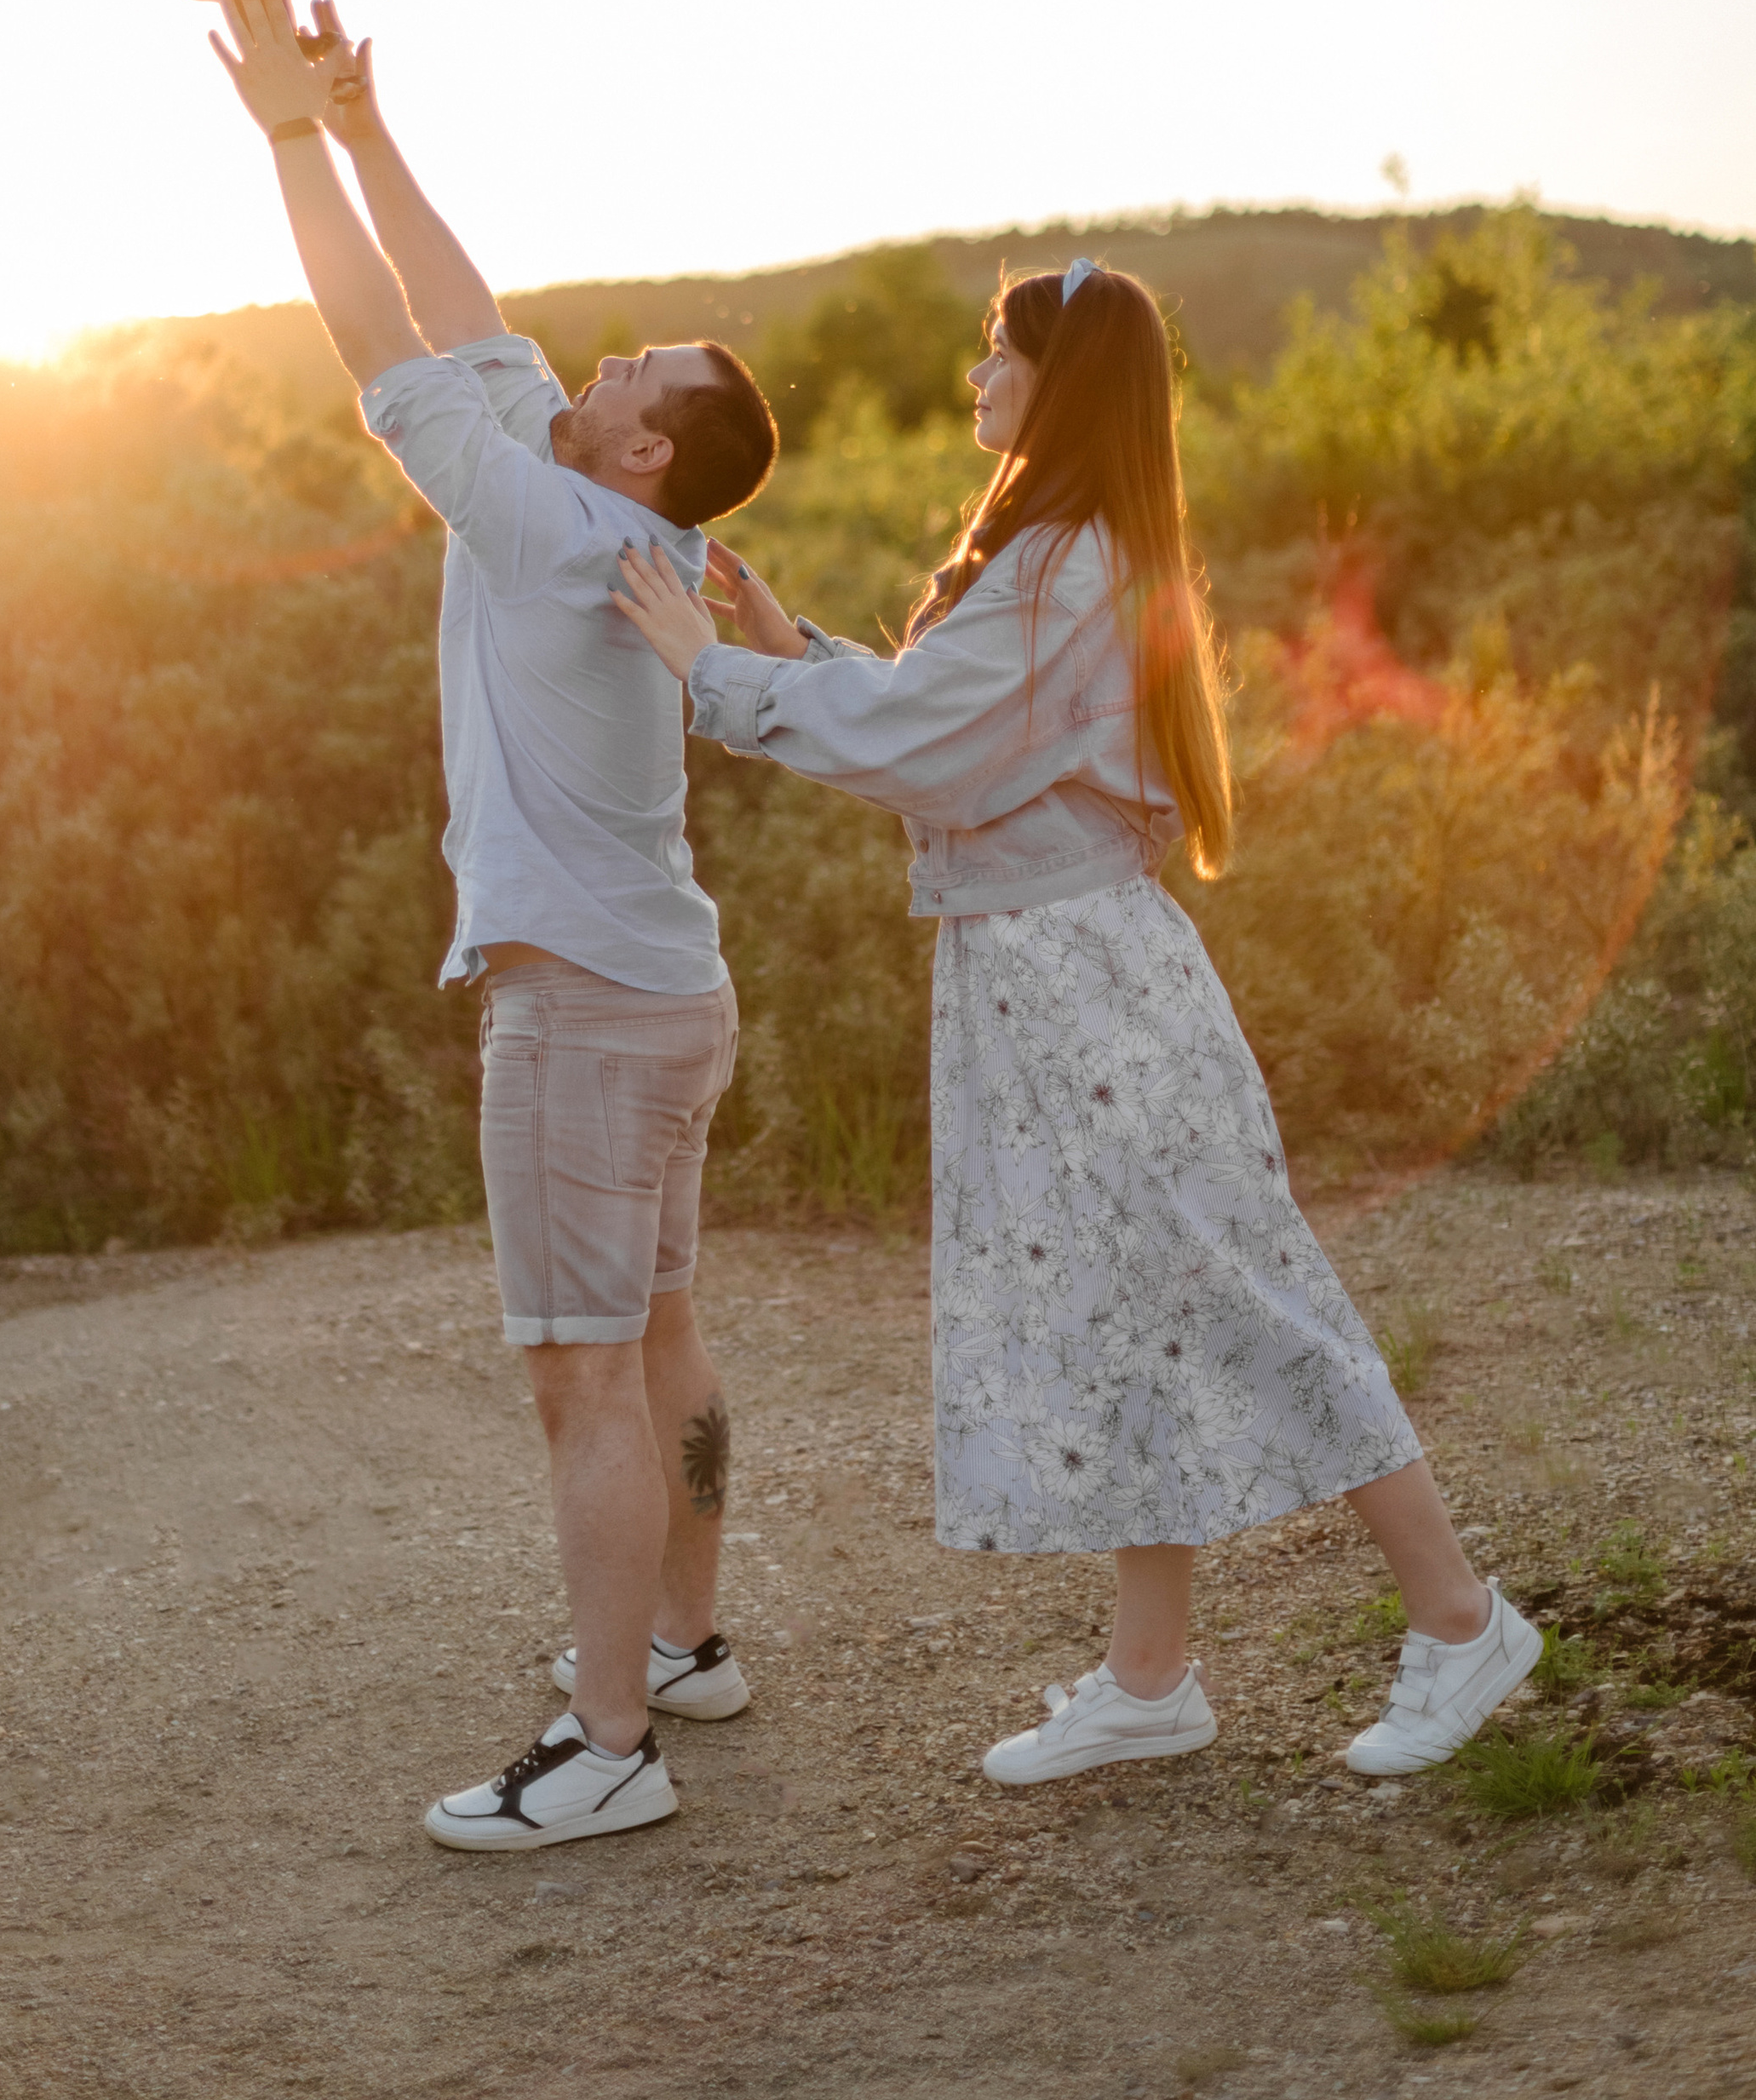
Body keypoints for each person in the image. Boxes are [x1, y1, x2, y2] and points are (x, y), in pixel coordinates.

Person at [611, 255, 1542, 1787]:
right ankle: (1151, 1678)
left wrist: (716, 677)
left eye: (1000, 353)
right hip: (1041, 971)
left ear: (1067, 384)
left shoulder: (1068, 561)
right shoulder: (1073, 550)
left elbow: (929, 745)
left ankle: (1459, 1617)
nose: (978, 375)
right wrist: (798, 657)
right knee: (1125, 1309)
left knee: (1235, 1285)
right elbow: (958, 723)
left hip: (1086, 976)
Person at [209, 0, 779, 1849]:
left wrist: (286, 136)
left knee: (574, 1372)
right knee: (661, 1329)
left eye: (633, 375)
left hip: (582, 1013)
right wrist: (364, 120)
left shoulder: (548, 524)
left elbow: (378, 335)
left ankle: (605, 1744)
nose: (594, 365)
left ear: (636, 450)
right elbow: (470, 315)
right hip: (670, 994)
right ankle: (684, 1647)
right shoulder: (618, 507)